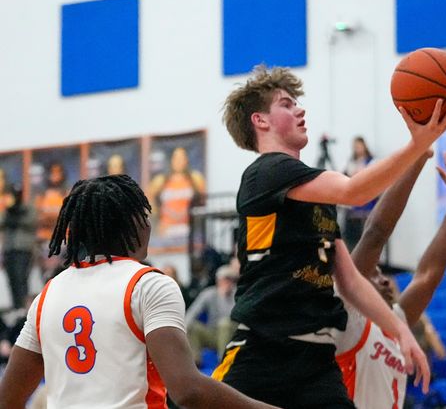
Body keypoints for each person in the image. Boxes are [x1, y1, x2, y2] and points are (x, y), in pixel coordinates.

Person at [216, 66, 446, 407]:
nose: (300, 109)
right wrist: (416, 146)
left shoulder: (316, 195)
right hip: (264, 348)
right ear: (260, 121)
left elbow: (351, 282)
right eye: (286, 104)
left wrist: (401, 331)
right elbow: (356, 191)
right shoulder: (266, 172)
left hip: (316, 360)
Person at [0, 175, 279, 409]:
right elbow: (187, 390)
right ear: (134, 223)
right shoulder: (148, 284)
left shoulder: (48, 294)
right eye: (145, 215)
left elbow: (8, 399)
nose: (149, 223)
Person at [334, 150, 446, 408]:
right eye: (374, 275)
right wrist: (417, 156)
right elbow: (375, 234)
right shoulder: (348, 315)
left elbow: (428, 276)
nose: (386, 281)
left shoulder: (395, 323)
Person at [148, 146, 207, 239]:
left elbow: (204, 201)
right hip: (166, 229)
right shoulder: (160, 180)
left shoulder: (195, 178)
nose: (179, 161)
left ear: (186, 160)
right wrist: (157, 216)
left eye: (182, 158)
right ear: (171, 160)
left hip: (189, 229)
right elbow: (148, 199)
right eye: (176, 158)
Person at [186, 264, 238, 365]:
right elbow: (192, 313)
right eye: (224, 279)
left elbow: (234, 317)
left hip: (231, 334)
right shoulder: (209, 293)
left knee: (224, 324)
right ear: (218, 280)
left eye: (230, 279)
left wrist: (224, 298)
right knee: (191, 326)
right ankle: (195, 362)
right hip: (212, 333)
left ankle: (222, 361)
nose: (227, 282)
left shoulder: (237, 294)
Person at [0, 185, 37, 309]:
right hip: (9, 249)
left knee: (21, 278)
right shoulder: (8, 211)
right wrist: (10, 213)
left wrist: (17, 216)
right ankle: (16, 306)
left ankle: (23, 307)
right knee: (11, 279)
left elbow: (31, 222)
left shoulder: (27, 208)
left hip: (23, 249)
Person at [342, 137, 377, 251]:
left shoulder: (371, 161)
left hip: (367, 201)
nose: (357, 149)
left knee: (365, 235)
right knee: (351, 235)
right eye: (355, 147)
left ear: (364, 146)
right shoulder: (351, 161)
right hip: (352, 205)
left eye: (359, 146)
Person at [34, 161, 69, 242]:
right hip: (44, 238)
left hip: (64, 239)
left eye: (58, 172)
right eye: (52, 172)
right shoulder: (42, 195)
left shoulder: (68, 194)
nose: (55, 175)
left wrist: (49, 216)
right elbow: (36, 217)